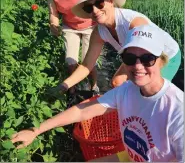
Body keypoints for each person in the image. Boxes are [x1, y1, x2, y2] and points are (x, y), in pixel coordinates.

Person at [11, 25, 184, 162]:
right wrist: (36, 130)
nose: (138, 66)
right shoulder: (127, 90)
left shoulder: (177, 111)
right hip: (131, 157)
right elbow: (82, 110)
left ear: (161, 61)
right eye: (130, 59)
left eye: (147, 59)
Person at [56, 0, 181, 92]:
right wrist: (64, 85)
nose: (95, 10)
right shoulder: (99, 31)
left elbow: (147, 59)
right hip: (139, 58)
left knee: (149, 90)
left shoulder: (133, 23)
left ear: (110, 1)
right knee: (118, 84)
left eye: (99, 3)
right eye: (89, 7)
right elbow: (86, 65)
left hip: (165, 56)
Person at [27, 0, 98, 93]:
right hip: (70, 26)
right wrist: (54, 25)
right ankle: (72, 89)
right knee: (71, 61)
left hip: (90, 25)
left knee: (89, 62)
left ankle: (95, 86)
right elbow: (53, 13)